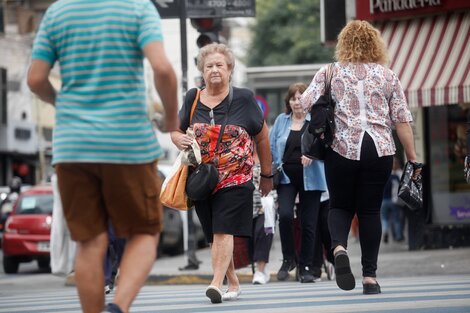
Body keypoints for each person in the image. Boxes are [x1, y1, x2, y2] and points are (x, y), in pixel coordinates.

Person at [27, 0, 179, 312]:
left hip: (72, 147)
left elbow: (36, 79)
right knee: (145, 232)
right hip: (128, 145)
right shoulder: (137, 8)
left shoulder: (58, 12)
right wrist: (172, 121)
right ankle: (118, 307)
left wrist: (62, 103)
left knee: (89, 242)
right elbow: (162, 68)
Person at [301, 20, 421, 295]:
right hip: (379, 150)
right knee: (369, 211)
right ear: (375, 44)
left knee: (340, 207)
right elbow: (402, 120)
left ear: (343, 44)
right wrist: (412, 158)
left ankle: (339, 247)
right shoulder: (388, 75)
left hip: (342, 149)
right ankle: (370, 277)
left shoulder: (329, 72)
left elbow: (304, 102)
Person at [171, 43, 272, 304]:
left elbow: (262, 137)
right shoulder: (192, 98)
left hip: (237, 177)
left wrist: (268, 175)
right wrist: (179, 140)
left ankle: (215, 283)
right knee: (213, 232)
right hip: (203, 177)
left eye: (219, 65)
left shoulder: (244, 98)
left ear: (229, 70)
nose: (214, 70)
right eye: (209, 66)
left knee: (223, 230)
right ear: (202, 72)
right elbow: (175, 130)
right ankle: (234, 282)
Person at [270, 82, 327, 283]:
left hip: (311, 178)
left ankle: (305, 267)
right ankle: (288, 259)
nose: (297, 102)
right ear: (289, 102)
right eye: (293, 98)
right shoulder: (281, 121)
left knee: (308, 223)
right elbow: (270, 147)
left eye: (301, 97)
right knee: (285, 216)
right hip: (286, 177)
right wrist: (271, 171)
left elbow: (327, 144)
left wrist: (313, 153)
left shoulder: (316, 120)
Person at [251, 148, 276, 285]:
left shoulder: (269, 153)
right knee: (248, 238)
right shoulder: (242, 151)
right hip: (245, 203)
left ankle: (260, 270)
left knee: (264, 231)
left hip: (266, 202)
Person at [381, 157, 404, 243]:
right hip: (393, 200)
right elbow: (397, 188)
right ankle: (398, 236)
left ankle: (385, 231)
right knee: (397, 219)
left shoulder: (383, 176)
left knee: (385, 219)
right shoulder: (395, 177)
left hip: (383, 201)